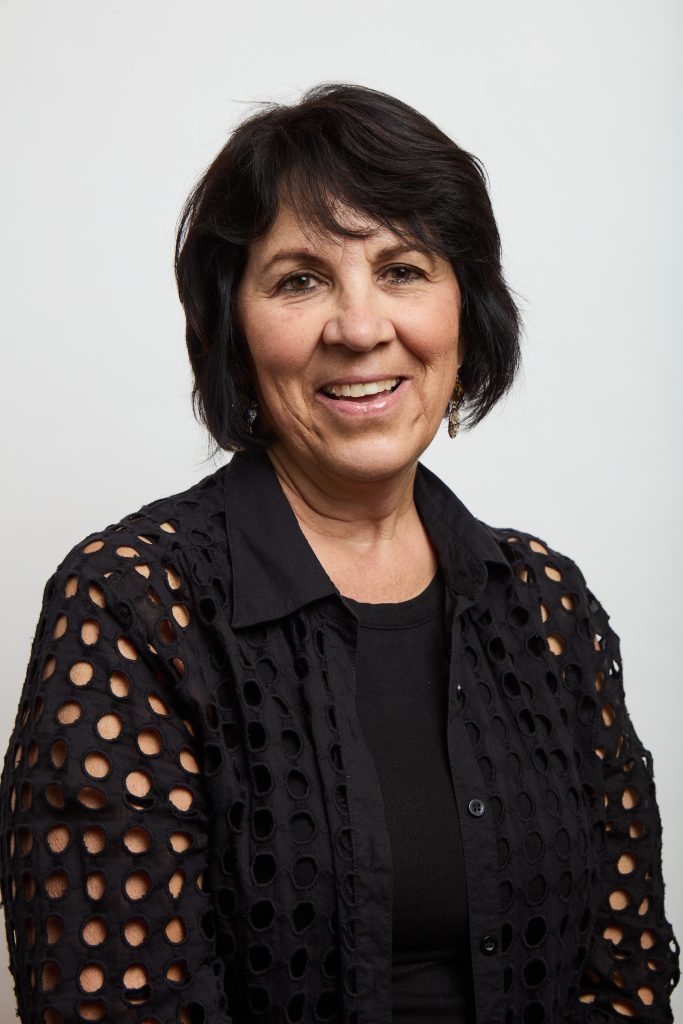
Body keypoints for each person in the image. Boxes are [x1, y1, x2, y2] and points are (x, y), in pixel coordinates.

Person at [0, 82, 678, 1024]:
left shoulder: (547, 606)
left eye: (402, 268)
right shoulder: (131, 605)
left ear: (465, 310)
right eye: (299, 279)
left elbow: (624, 973)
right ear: (234, 329)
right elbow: (116, 1007)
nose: (360, 328)